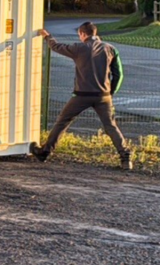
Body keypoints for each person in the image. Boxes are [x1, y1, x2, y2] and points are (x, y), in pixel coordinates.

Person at [32, 21, 130, 169]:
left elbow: (57, 47)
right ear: (95, 33)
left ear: (83, 34)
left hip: (81, 95)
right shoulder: (110, 49)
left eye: (79, 35)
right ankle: (125, 158)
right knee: (111, 126)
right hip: (103, 96)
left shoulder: (79, 48)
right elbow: (119, 75)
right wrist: (111, 92)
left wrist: (48, 37)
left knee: (63, 121)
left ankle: (44, 152)